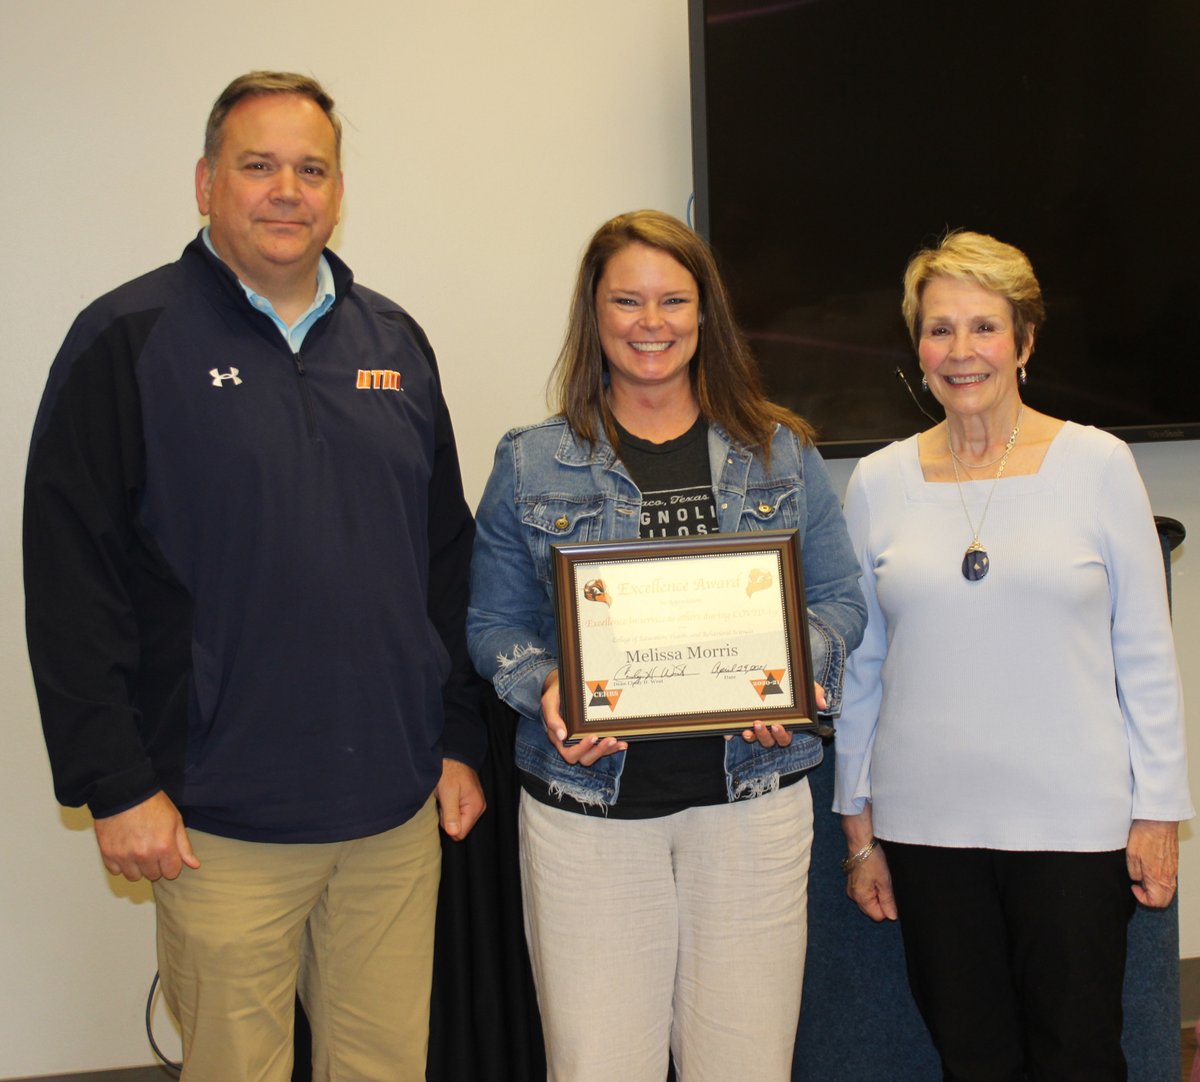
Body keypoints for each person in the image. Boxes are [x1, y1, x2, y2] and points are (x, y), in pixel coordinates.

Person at [23, 71, 485, 1082]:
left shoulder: (395, 344)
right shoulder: (127, 339)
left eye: (311, 168)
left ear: (337, 189)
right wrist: (116, 782)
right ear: (205, 181)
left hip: (391, 813)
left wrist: (455, 735)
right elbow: (70, 577)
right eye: (259, 165)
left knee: (382, 1068)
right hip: (216, 819)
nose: (288, 189)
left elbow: (443, 559)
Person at [467, 209, 866, 1082]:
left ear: (703, 314)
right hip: (588, 813)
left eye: (674, 301)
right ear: (595, 315)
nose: (652, 323)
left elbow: (839, 599)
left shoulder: (780, 451)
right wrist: (544, 689)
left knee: (747, 1065)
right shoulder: (532, 461)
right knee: (600, 1064)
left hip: (751, 807)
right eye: (628, 301)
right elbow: (493, 623)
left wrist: (794, 676)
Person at [833, 230, 1193, 1081]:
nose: (961, 352)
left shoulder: (1099, 465)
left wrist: (1158, 814)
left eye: (983, 328)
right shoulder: (879, 482)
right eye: (939, 329)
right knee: (973, 1061)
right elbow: (862, 667)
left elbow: (1144, 651)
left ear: (1025, 342)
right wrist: (857, 828)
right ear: (917, 347)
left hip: (1074, 827)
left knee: (1079, 1059)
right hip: (928, 830)